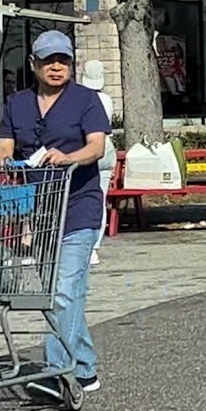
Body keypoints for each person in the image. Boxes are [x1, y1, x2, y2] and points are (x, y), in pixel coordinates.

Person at [0, 30, 111, 399]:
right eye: (48, 60)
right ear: (34, 65)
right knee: (61, 296)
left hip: (78, 209)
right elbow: (7, 141)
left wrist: (68, 158)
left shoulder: (87, 101)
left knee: (63, 292)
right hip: (39, 213)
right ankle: (85, 369)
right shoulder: (18, 103)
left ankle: (57, 371)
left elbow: (96, 146)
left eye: (63, 60)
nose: (56, 67)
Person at [79, 60, 117, 266]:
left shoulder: (79, 100)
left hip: (86, 151)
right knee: (100, 200)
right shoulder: (107, 99)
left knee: (81, 198)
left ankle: (82, 244)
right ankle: (95, 247)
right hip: (107, 150)